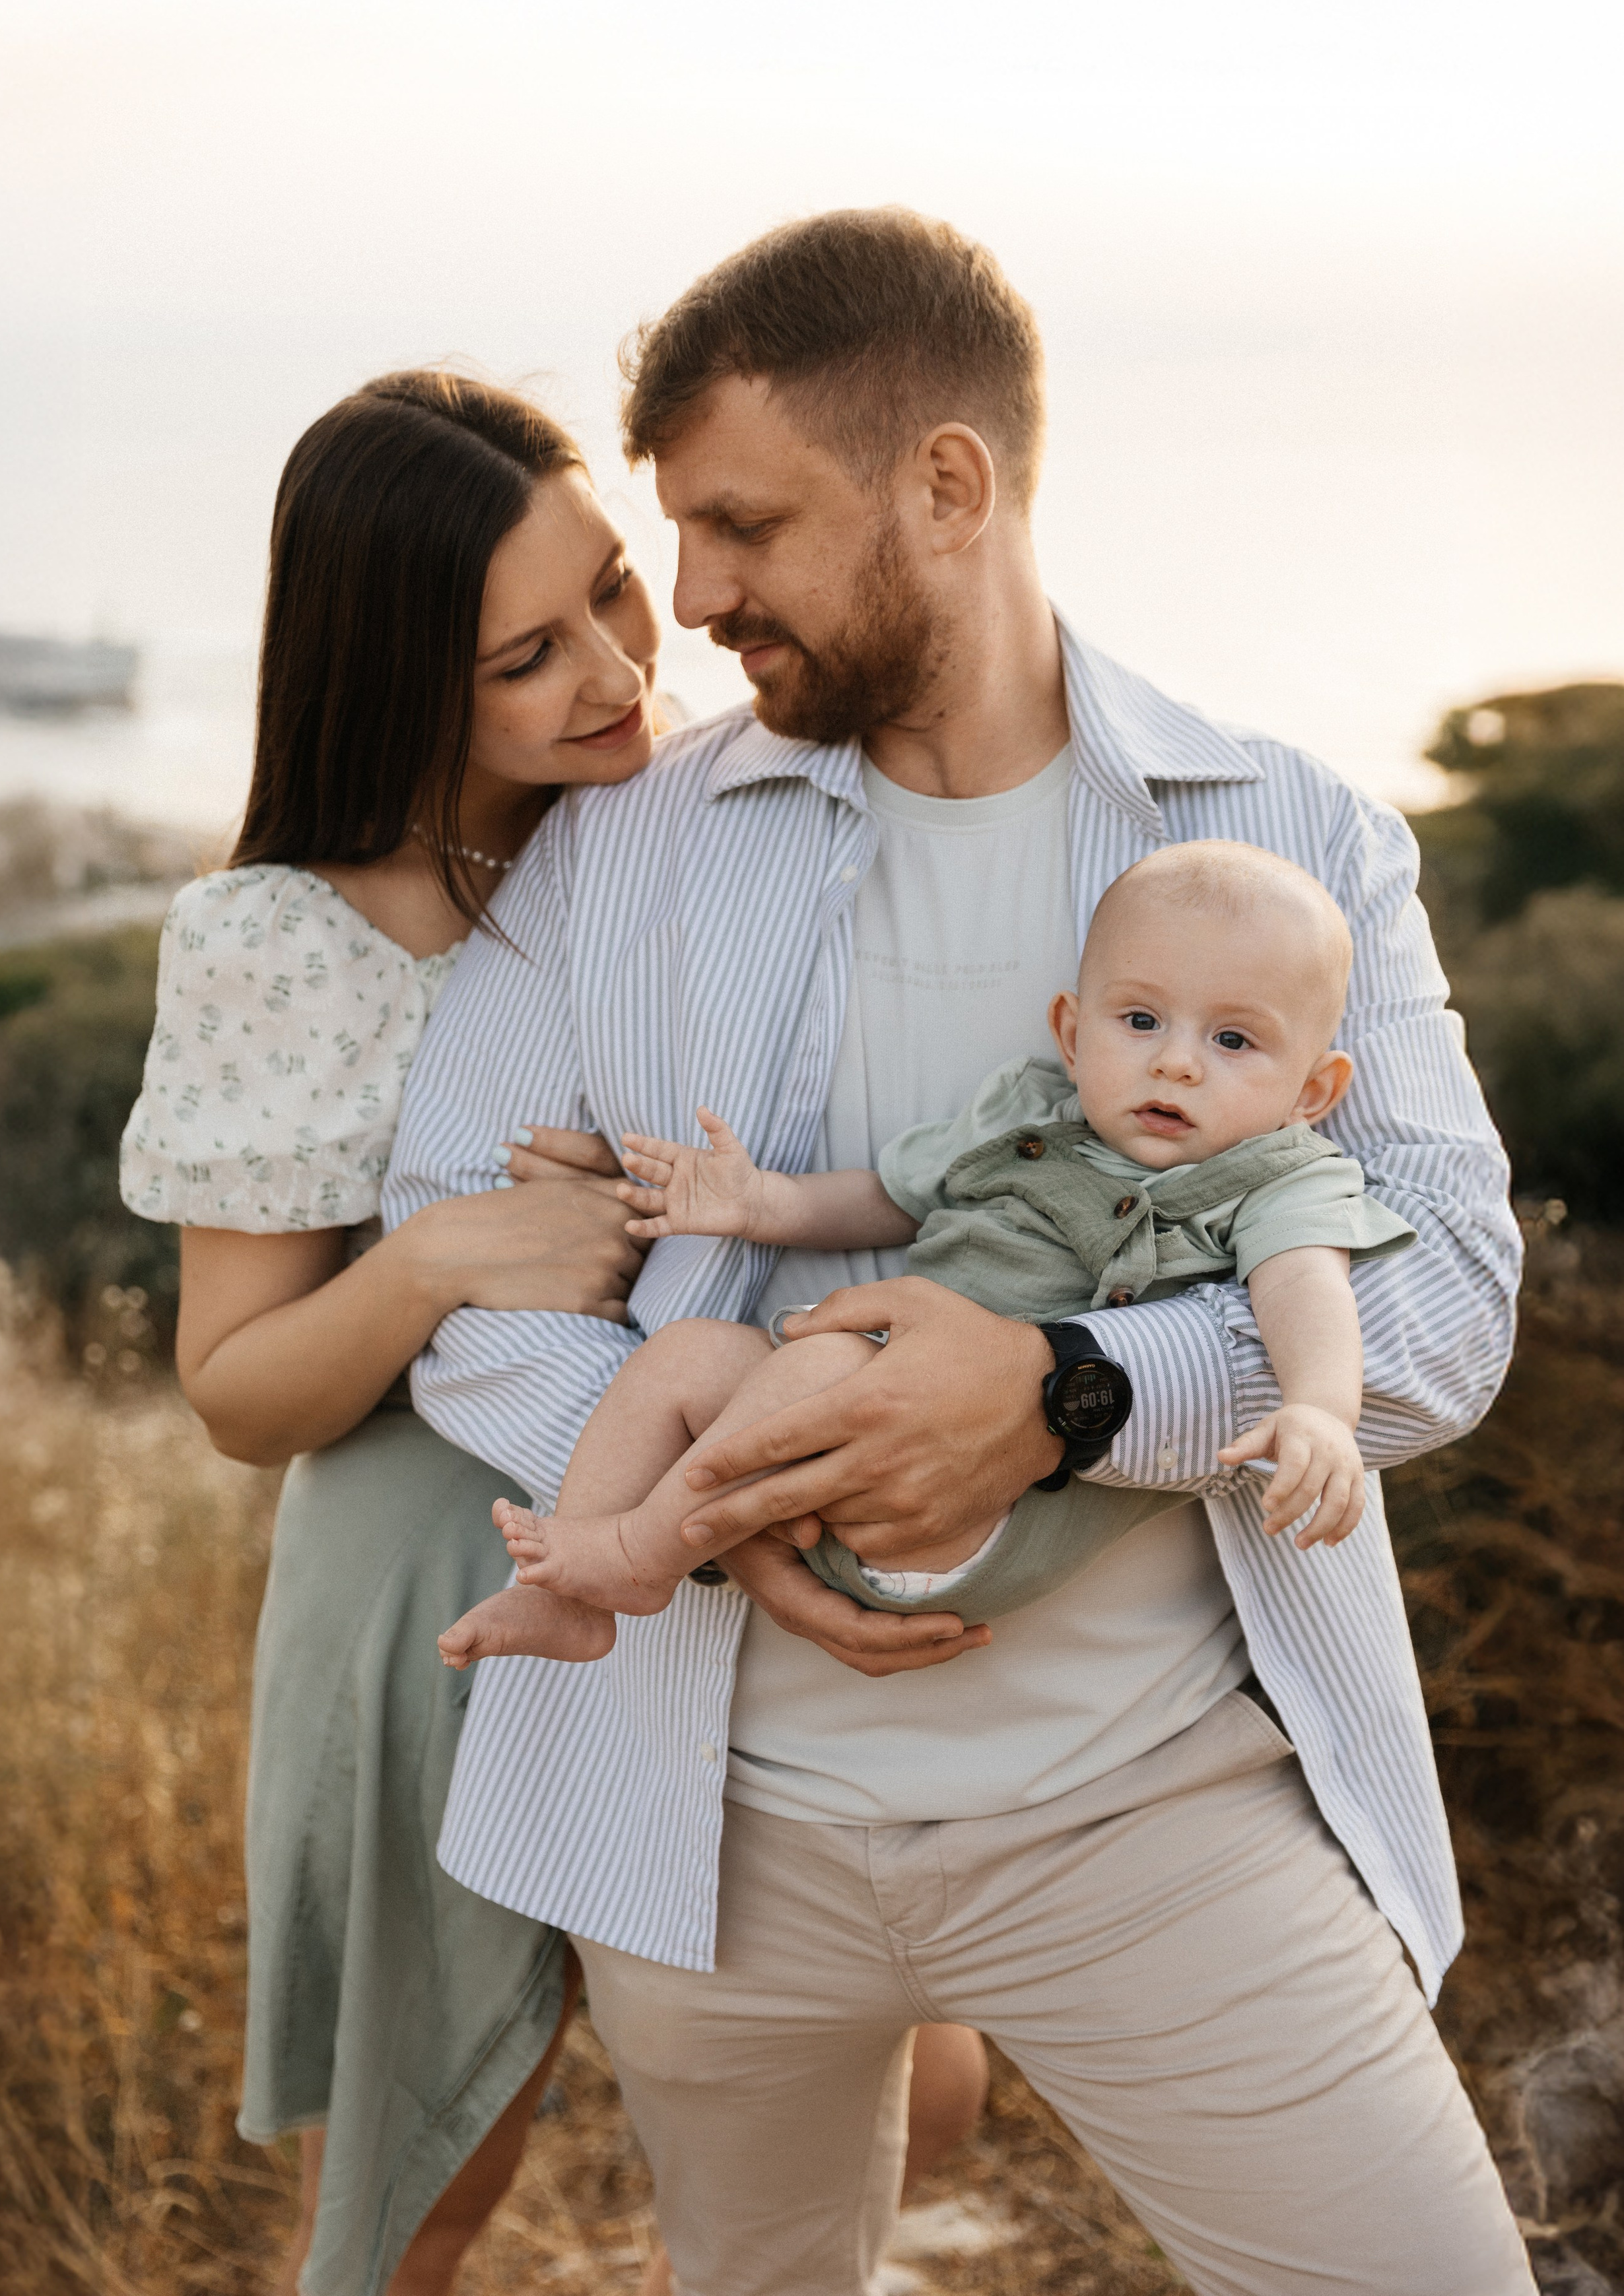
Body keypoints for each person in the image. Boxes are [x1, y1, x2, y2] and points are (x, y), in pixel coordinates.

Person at [386, 213, 1535, 2295]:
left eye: (742, 525)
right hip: (700, 1826)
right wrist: (735, 1501)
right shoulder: (618, 858)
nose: (694, 599)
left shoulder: (1294, 835)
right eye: (684, 533)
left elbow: (1447, 1293)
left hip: (1162, 1823)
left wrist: (1067, 1404)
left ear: (947, 484)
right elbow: (457, 1271)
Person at [119, 364, 984, 2295]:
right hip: (438, 1570)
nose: (616, 664)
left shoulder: (677, 819)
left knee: (921, 2098)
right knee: (434, 2179)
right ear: (402, 678)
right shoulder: (284, 934)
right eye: (529, 654)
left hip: (712, 1496)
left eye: (614, 585)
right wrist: (441, 1259)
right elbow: (238, 1395)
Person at [440, 837, 1417, 1661]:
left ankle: (639, 1557)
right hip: (840, 1453)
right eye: (1140, 1020)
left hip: (983, 1513)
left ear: (1314, 1092)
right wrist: (758, 1203)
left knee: (827, 1360)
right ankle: (571, 1596)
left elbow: (1305, 1286)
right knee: (691, 1351)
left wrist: (1322, 1411)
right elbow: (890, 1197)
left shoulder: (1277, 1177)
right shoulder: (1027, 1113)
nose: (1176, 1060)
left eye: (1236, 1041)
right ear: (1072, 1033)